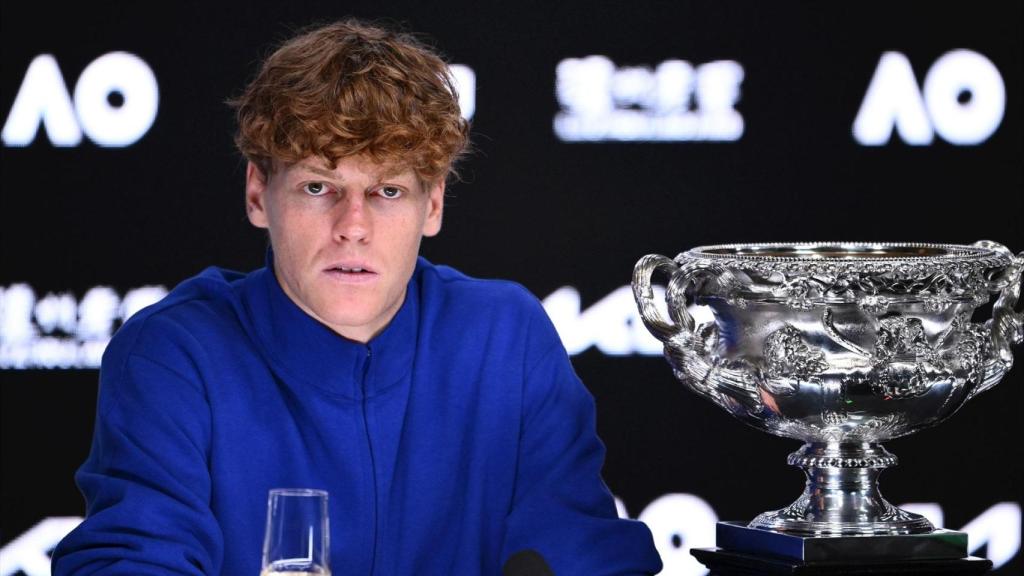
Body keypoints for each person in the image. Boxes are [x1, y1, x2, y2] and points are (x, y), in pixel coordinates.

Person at [52, 18, 662, 575]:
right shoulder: (174, 354)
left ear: (435, 204)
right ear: (259, 194)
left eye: (388, 191)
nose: (353, 225)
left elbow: (582, 554)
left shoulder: (507, 338)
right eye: (319, 186)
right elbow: (130, 561)